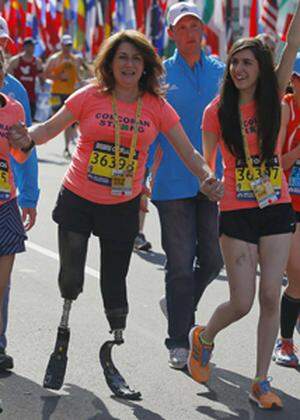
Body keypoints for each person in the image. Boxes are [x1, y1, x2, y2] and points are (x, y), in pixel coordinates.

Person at [8, 29, 223, 395]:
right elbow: (47, 128)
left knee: (114, 282)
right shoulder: (90, 96)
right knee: (71, 278)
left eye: (136, 59)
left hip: (121, 207)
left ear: (146, 67)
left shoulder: (156, 106)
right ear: (110, 62)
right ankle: (64, 323)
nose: (129, 64)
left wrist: (206, 176)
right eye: (122, 57)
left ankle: (114, 345)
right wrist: (24, 136)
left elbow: (189, 151)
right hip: (78, 198)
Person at [187, 1, 300, 410]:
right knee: (242, 301)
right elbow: (206, 159)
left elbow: (290, 47)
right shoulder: (216, 112)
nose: (239, 69)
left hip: (276, 207)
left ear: (261, 68)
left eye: (248, 62)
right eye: (234, 62)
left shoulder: (274, 99)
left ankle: (260, 380)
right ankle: (204, 337)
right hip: (236, 209)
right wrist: (208, 180)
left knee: (272, 295)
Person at [149, 1, 224, 369]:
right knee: (179, 264)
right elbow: (148, 130)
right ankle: (179, 338)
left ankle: (179, 304)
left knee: (212, 259)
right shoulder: (159, 76)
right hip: (172, 184)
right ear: (172, 34)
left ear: (202, 30)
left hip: (214, 184)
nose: (190, 33)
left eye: (195, 26)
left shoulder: (222, 72)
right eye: (182, 28)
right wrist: (140, 183)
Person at [0, 17, 39, 372]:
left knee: (3, 280)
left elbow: (25, 152)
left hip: (5, 202)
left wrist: (30, 196)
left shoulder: (14, 100)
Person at [273, 56, 300, 368]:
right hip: (288, 204)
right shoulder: (285, 108)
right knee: (296, 275)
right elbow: (275, 162)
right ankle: (285, 341)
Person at [44, 34, 85, 159]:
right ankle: (43, 136)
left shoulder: (75, 59)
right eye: (66, 45)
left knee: (68, 122)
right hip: (56, 92)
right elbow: (45, 74)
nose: (68, 48)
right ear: (61, 45)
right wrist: (58, 77)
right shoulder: (54, 59)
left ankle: (66, 146)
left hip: (70, 93)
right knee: (55, 118)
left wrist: (83, 83)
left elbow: (78, 76)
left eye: (70, 45)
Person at [7, 37, 43, 120]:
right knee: (15, 120)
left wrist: (43, 89)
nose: (32, 48)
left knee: (30, 120)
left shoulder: (37, 61)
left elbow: (42, 78)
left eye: (33, 46)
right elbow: (7, 78)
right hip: (17, 96)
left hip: (31, 96)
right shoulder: (16, 60)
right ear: (25, 47)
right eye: (30, 46)